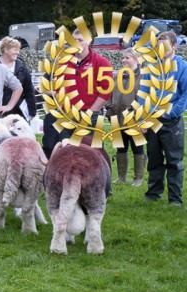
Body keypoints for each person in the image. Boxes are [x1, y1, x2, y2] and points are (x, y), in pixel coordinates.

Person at [41, 29, 112, 158]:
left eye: (80, 40)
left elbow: (106, 92)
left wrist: (91, 112)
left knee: (91, 154)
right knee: (65, 150)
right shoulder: (63, 63)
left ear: (89, 42)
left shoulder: (101, 62)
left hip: (91, 114)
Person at [142, 31, 187, 205]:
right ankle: (153, 193)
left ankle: (175, 199)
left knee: (174, 161)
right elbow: (143, 94)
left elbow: (185, 94)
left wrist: (171, 113)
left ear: (174, 46)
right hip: (152, 120)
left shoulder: (183, 67)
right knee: (153, 159)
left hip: (172, 121)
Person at [107, 48, 145, 186]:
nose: (123, 60)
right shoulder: (117, 76)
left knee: (137, 147)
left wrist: (133, 112)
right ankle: (121, 177)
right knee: (120, 147)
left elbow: (143, 98)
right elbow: (109, 93)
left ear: (136, 59)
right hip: (116, 117)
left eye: (127, 58)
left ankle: (138, 178)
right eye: (123, 58)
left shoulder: (143, 76)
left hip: (134, 118)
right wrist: (109, 106)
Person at [0, 36, 36, 121]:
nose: (17, 52)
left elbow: (29, 90)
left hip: (19, 111)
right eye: (15, 50)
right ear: (5, 50)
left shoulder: (22, 67)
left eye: (18, 50)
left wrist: (32, 112)